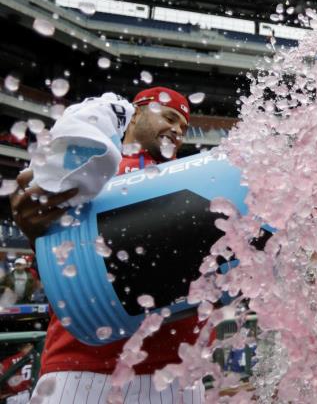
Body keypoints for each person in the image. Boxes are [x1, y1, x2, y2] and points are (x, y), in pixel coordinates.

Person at [9, 87, 205, 403]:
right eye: (169, 117)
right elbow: (60, 260)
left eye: (183, 126)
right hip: (82, 367)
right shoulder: (92, 160)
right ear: (136, 112)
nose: (177, 130)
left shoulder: (195, 176)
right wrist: (37, 225)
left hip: (176, 373)